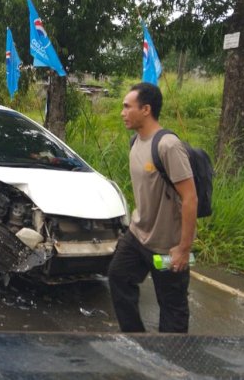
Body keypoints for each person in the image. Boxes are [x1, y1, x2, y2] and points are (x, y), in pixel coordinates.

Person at [108, 82, 197, 333]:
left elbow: (190, 198)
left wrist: (183, 248)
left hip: (167, 246)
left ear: (146, 109)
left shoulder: (168, 146)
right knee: (118, 276)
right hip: (138, 237)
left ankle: (171, 362)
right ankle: (136, 339)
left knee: (172, 307)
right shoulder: (135, 142)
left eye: (128, 107)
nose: (123, 112)